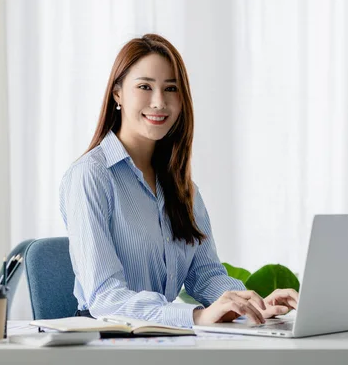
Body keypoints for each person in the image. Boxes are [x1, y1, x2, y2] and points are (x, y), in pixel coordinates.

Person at [59, 34, 298, 328]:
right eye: (145, 87)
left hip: (163, 338)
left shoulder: (182, 186)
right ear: (118, 94)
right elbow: (105, 297)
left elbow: (206, 274)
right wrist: (195, 316)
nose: (159, 102)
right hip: (107, 341)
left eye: (170, 88)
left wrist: (255, 305)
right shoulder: (90, 176)